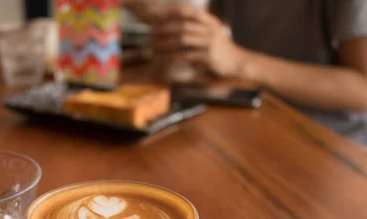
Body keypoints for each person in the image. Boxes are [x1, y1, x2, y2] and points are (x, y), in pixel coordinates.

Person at [127, 0, 367, 145]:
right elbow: (214, 42)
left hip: (333, 148)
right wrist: (187, 42)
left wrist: (238, 60)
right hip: (251, 124)